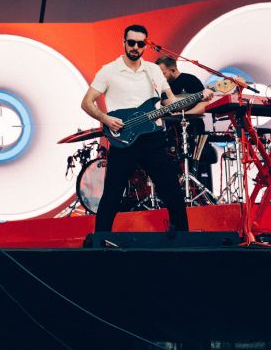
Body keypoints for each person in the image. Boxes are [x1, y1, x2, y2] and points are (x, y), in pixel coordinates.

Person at [80, 24, 211, 233]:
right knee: (113, 193)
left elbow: (170, 103)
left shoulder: (153, 70)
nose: (135, 47)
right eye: (131, 42)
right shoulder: (109, 70)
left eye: (140, 44)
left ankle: (183, 239)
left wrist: (199, 96)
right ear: (123, 42)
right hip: (123, 139)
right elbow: (87, 102)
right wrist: (105, 118)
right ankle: (100, 241)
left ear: (145, 45)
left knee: (172, 189)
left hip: (152, 138)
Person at [156, 55, 216, 194]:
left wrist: (185, 115)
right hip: (170, 132)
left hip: (193, 129)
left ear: (173, 69)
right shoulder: (162, 87)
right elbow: (167, 104)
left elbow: (204, 105)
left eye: (163, 73)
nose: (161, 77)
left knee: (197, 164)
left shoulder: (190, 80)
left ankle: (199, 195)